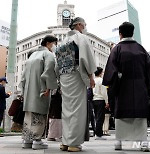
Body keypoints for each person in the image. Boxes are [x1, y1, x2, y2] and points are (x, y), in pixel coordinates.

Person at [103, 22, 150, 152]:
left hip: (122, 88)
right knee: (140, 115)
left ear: (120, 34)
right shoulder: (141, 49)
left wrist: (113, 81)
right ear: (133, 33)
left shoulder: (117, 49)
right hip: (140, 88)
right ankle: (143, 143)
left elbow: (110, 72)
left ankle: (119, 142)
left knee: (121, 114)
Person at [56, 17, 96, 152]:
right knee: (77, 109)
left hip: (64, 77)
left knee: (66, 110)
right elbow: (86, 58)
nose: (85, 27)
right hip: (76, 75)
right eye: (84, 24)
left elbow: (57, 64)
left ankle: (65, 141)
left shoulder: (62, 42)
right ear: (79, 25)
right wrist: (91, 75)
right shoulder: (81, 38)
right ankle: (73, 143)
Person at [20, 35, 58, 150]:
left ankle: (27, 140)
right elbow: (49, 71)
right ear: (48, 43)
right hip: (40, 89)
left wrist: (23, 91)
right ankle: (37, 140)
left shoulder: (32, 56)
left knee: (29, 114)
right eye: (54, 43)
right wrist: (48, 87)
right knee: (39, 114)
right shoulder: (48, 54)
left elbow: (23, 77)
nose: (54, 46)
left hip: (28, 91)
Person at [93, 67, 109, 140]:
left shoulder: (93, 80)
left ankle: (96, 132)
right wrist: (107, 101)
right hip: (100, 100)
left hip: (94, 99)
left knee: (96, 117)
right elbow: (104, 92)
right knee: (100, 117)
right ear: (100, 73)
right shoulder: (101, 80)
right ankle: (98, 134)